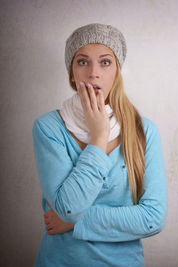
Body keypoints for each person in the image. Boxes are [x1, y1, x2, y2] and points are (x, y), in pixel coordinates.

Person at [32, 23, 167, 267]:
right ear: (72, 73)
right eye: (82, 62)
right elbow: (68, 209)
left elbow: (153, 218)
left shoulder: (144, 131)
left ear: (117, 70)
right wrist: (98, 137)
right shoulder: (49, 127)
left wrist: (78, 223)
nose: (94, 73)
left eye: (105, 62)